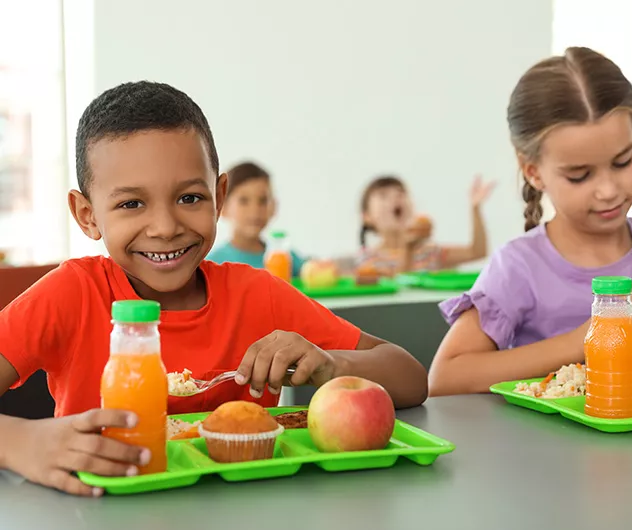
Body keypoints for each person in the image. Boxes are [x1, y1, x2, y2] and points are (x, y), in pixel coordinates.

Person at [0, 81, 428, 496]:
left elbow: (410, 378)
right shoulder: (72, 293)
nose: (166, 228)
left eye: (189, 198)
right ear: (87, 215)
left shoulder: (258, 295)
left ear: (219, 197)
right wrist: (19, 443)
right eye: (131, 204)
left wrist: (330, 364)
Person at [429, 47, 632, 397]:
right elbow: (444, 378)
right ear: (533, 172)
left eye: (622, 163)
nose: (607, 190)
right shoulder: (519, 268)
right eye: (579, 175)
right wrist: (588, 337)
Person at [356, 174, 493, 276]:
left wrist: (475, 209)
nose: (395, 198)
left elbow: (477, 252)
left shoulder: (430, 253)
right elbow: (398, 287)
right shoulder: (368, 258)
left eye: (401, 193)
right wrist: (407, 249)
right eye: (383, 196)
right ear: (367, 217)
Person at [206, 161, 306, 275]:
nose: (255, 210)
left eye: (263, 200)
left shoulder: (285, 258)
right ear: (222, 207)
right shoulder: (213, 264)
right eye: (244, 201)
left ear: (274, 207)